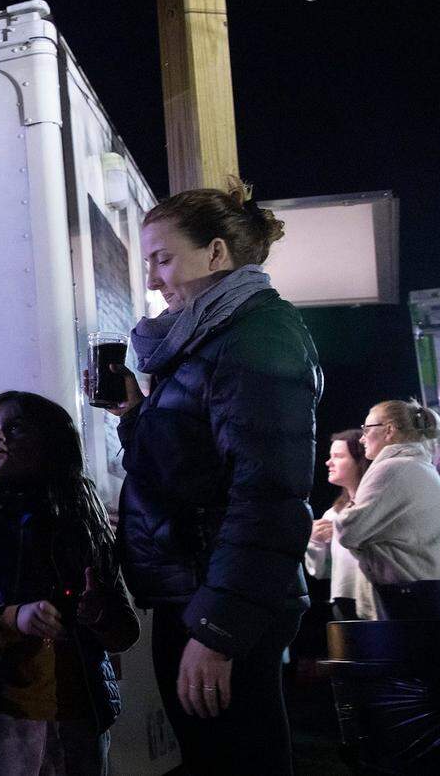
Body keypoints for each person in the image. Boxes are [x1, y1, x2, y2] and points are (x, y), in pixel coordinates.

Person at [109, 179, 322, 776]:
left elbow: (267, 498)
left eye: (163, 258)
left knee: (235, 760)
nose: (153, 279)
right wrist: (136, 414)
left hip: (218, 600)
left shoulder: (256, 338)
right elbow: (186, 470)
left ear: (216, 254)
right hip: (199, 591)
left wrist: (217, 630)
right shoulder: (212, 339)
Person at [0, 391, 140, 776]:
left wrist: (100, 613)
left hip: (77, 722)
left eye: (16, 427)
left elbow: (125, 633)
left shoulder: (86, 523)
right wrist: (12, 620)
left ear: (51, 441)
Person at [334, 399, 440, 617]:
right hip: (434, 597)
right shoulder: (419, 466)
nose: (362, 437)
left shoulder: (392, 468)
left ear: (389, 431)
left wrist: (346, 515)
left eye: (367, 428)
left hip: (409, 602)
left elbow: (348, 531)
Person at [305, 430, 373, 619]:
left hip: (375, 597)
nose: (329, 462)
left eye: (338, 456)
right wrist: (315, 541)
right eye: (330, 456)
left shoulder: (376, 506)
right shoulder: (333, 514)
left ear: (359, 462)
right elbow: (320, 572)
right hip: (343, 599)